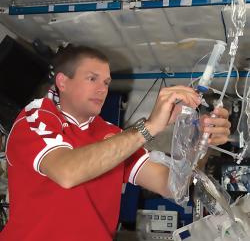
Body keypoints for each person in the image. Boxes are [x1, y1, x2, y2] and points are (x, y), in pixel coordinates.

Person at [0, 45, 231, 241]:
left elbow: (173, 187)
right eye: (92, 79)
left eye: (107, 82)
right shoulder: (37, 117)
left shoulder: (111, 133)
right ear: (62, 81)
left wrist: (200, 141)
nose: (102, 89)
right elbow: (67, 172)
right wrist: (149, 127)